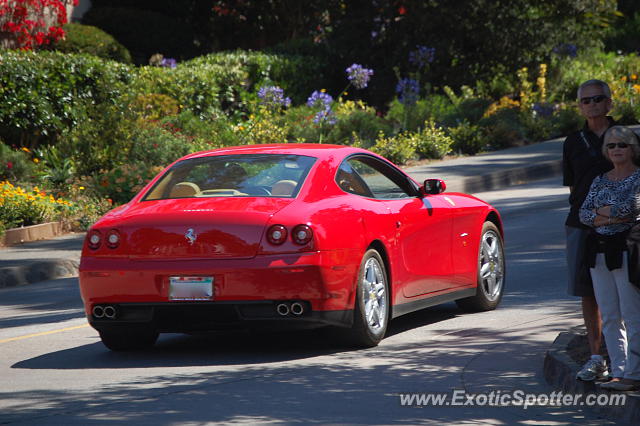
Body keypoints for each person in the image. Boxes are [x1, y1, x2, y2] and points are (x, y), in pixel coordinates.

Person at [579, 125, 640, 391]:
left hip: (626, 249)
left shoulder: (638, 177)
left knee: (632, 312)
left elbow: (634, 207)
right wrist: (613, 215)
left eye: (622, 145)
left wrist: (603, 214)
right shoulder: (600, 180)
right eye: (611, 145)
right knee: (611, 314)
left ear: (632, 149)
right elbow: (584, 213)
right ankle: (618, 370)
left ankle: (634, 374)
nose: (616, 149)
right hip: (599, 251)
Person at [562, 79, 616, 381]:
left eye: (598, 99)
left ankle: (626, 355)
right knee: (589, 292)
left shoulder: (625, 136)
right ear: (580, 106)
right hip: (582, 225)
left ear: (609, 102)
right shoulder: (573, 142)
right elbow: (572, 186)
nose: (593, 105)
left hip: (624, 224)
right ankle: (597, 356)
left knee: (628, 289)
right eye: (586, 101)